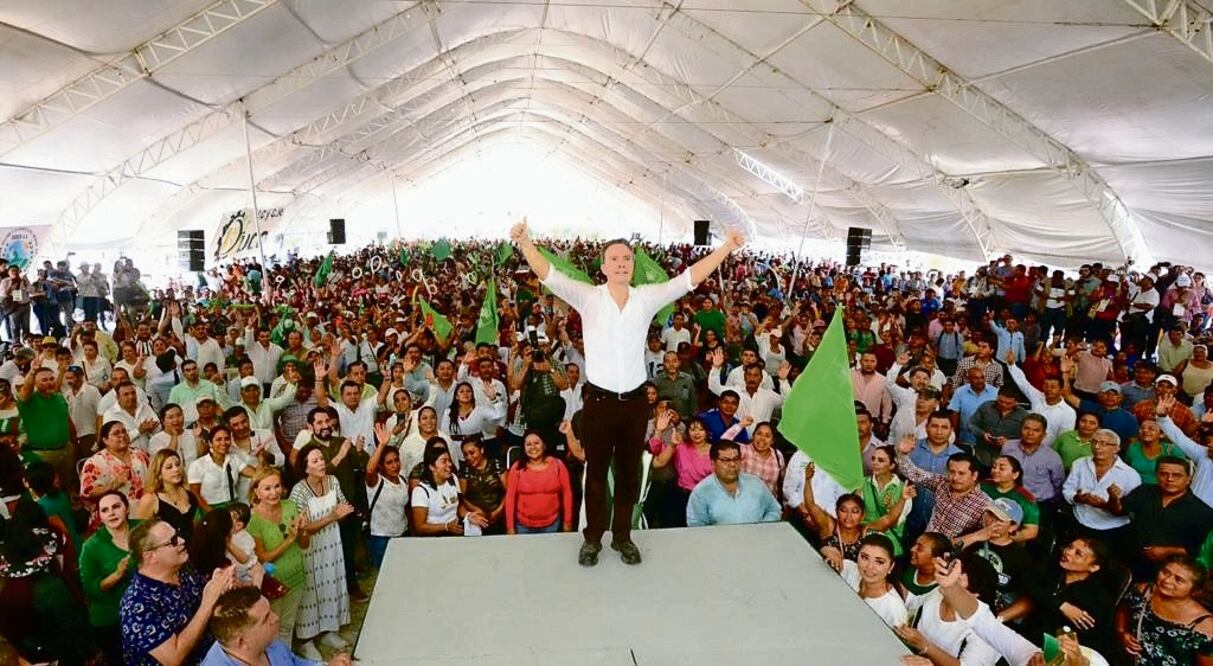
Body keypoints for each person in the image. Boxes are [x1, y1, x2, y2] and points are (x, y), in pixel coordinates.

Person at [511, 217, 744, 567]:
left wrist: (726, 247)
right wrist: (525, 242)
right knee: (595, 472)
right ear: (603, 266)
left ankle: (622, 537)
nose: (622, 264)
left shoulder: (646, 299)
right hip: (599, 402)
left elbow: (689, 279)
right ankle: (592, 539)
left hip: (635, 404)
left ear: (633, 266)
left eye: (627, 259)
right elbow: (549, 275)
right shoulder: (588, 297)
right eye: (615, 259)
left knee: (629, 474)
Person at [118, 519, 235, 666]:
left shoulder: (184, 570)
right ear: (150, 557)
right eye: (172, 541)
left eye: (177, 534)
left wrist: (220, 587)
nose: (182, 540)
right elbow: (173, 658)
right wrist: (208, 602)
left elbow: (210, 607)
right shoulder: (136, 604)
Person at [289, 444, 353, 661]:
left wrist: (342, 513)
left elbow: (342, 507)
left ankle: (327, 631)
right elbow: (302, 528)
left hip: (332, 544)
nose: (321, 463)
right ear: (305, 467)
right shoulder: (299, 490)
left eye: (322, 459)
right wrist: (332, 517)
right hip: (309, 548)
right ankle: (306, 640)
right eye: (315, 461)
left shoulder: (333, 481)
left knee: (330, 584)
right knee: (310, 591)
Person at [1109, 456, 1213, 578]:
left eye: (1176, 475)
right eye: (1164, 474)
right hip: (1126, 558)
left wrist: (1168, 551)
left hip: (1163, 572)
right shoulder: (1144, 491)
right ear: (1156, 475)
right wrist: (1113, 498)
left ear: (1189, 479)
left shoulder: (1202, 511)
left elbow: (1198, 550)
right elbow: (1119, 511)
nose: (1169, 479)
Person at [893, 552, 1002, 665]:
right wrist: (888, 581)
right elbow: (914, 602)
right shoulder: (940, 593)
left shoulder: (985, 631)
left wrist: (926, 647)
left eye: (956, 580)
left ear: (974, 594)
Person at [203, 586, 352, 666]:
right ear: (242, 642)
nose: (276, 618)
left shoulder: (270, 643)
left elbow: (294, 662)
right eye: (266, 618)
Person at [1020, 537, 1117, 657]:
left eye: (1078, 554)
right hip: (1026, 635)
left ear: (1093, 567)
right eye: (1070, 547)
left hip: (1053, 654)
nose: (1067, 552)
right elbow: (1026, 580)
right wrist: (1061, 605)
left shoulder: (1097, 600)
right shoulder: (1053, 567)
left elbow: (1092, 643)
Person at [248, 468, 310, 645]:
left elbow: (305, 544)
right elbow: (262, 558)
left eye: (277, 486)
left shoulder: (290, 505)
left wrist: (303, 531)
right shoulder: (254, 521)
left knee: (288, 626)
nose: (273, 492)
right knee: (272, 631)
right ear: (256, 492)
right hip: (273, 584)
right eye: (267, 488)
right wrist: (290, 539)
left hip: (297, 576)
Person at [1115, 555, 1213, 665]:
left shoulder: (1204, 627)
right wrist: (1123, 633)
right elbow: (1123, 610)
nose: (1167, 580)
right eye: (1165, 572)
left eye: (1178, 580)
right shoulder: (1143, 591)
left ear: (1195, 591)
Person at [895, 432, 993, 539]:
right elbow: (913, 473)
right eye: (952, 472)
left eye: (961, 473)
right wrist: (902, 454)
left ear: (974, 475)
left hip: (952, 553)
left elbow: (990, 533)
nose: (955, 478)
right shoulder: (942, 483)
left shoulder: (984, 504)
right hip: (925, 544)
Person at [80, 490, 138, 664]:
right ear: (100, 516)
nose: (111, 513)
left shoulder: (144, 529)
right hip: (112, 620)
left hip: (149, 611)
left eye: (116, 507)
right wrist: (117, 575)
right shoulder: (91, 547)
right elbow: (90, 590)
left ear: (127, 509)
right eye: (105, 510)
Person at [1063, 429, 1142, 554]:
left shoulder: (1130, 475)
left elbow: (1132, 511)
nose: (1097, 447)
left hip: (1111, 530)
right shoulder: (1079, 464)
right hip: (1080, 522)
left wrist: (1107, 503)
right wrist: (1078, 498)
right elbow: (1068, 489)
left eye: (1104, 443)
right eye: (1094, 442)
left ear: (1116, 448)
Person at [685, 440, 780, 527]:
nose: (732, 465)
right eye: (725, 460)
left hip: (756, 541)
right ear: (713, 463)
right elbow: (696, 527)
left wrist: (762, 528)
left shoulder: (756, 484)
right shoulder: (701, 492)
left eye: (736, 459)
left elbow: (774, 509)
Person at [80, 420, 151, 528]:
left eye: (124, 431)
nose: (122, 435)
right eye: (116, 433)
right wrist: (113, 485)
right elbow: (87, 492)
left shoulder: (139, 454)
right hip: (113, 515)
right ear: (105, 440)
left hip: (144, 511)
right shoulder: (95, 463)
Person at [504, 430, 574, 534]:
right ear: (524, 448)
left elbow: (567, 494)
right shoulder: (517, 468)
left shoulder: (558, 465)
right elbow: (510, 498)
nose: (533, 447)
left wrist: (567, 522)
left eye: (536, 443)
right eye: (528, 444)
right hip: (523, 526)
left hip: (552, 525)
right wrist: (510, 527)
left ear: (544, 445)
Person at [835, 533, 908, 628]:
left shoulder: (894, 610)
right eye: (864, 557)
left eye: (879, 562)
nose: (869, 567)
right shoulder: (847, 568)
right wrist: (825, 551)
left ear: (891, 566)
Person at [134, 448, 203, 543]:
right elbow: (140, 535)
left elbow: (195, 525)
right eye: (169, 467)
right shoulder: (150, 499)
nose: (176, 469)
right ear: (158, 473)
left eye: (178, 464)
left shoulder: (188, 492)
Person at [365, 422, 409, 566]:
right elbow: (370, 470)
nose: (395, 465)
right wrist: (382, 444)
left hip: (402, 533)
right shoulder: (376, 482)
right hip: (381, 538)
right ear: (381, 465)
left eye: (396, 460)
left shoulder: (402, 479)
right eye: (389, 462)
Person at [189, 424, 254, 510]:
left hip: (232, 506)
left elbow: (256, 474)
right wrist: (210, 511)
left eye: (226, 439)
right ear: (210, 443)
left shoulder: (234, 459)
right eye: (218, 439)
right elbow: (195, 494)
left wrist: (261, 457)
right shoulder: (198, 465)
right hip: (208, 508)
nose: (223, 443)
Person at [410, 446, 471, 536]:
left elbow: (459, 506)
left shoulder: (453, 478)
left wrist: (469, 516)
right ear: (432, 467)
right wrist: (446, 527)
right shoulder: (420, 491)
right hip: (433, 538)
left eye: (449, 461)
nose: (449, 464)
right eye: (444, 461)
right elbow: (419, 527)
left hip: (455, 533)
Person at [459, 437, 506, 534]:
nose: (469, 457)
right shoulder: (465, 471)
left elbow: (509, 491)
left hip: (499, 519)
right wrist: (476, 510)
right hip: (476, 520)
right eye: (465, 455)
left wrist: (498, 511)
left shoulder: (497, 466)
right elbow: (461, 497)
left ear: (482, 450)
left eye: (472, 453)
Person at [739, 421, 785, 497]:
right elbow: (722, 445)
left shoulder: (778, 455)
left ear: (772, 441)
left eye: (767, 436)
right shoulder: (744, 450)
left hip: (768, 505)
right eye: (759, 434)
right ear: (753, 436)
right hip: (744, 502)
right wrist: (741, 425)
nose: (762, 438)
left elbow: (781, 482)